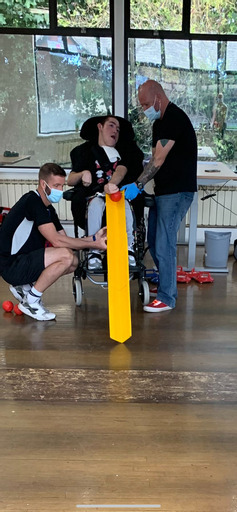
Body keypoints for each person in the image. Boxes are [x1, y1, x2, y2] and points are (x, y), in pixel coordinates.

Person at [121, 79, 197, 313]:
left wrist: (138, 184)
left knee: (164, 244)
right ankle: (165, 284)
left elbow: (159, 159)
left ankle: (167, 297)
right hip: (163, 191)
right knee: (153, 239)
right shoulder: (159, 124)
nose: (144, 110)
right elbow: (153, 158)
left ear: (158, 98)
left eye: (145, 105)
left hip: (177, 192)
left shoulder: (174, 118)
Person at [0, 163, 107, 321]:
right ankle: (31, 300)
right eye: (56, 185)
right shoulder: (33, 202)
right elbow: (57, 241)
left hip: (23, 261)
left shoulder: (48, 209)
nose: (59, 190)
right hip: (11, 265)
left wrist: (94, 238)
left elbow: (66, 240)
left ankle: (24, 287)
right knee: (65, 256)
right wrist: (93, 242)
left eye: (61, 186)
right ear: (43, 184)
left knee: (73, 261)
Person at [67, 115, 144, 270]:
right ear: (100, 127)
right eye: (111, 125)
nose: (115, 130)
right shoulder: (84, 152)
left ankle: (128, 248)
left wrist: (111, 185)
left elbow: (122, 170)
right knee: (95, 203)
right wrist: (82, 174)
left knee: (124, 203)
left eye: (118, 128)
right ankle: (94, 250)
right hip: (94, 199)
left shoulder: (126, 152)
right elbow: (70, 180)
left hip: (118, 196)